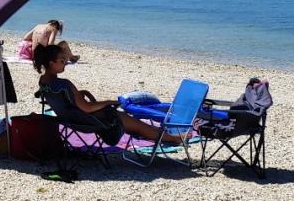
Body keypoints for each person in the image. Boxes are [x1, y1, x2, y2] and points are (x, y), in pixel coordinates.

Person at [34, 44, 188, 145]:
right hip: (88, 120)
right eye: (62, 61)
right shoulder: (64, 83)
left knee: (131, 123)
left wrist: (80, 94)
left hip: (69, 118)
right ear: (50, 63)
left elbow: (66, 100)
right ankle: (173, 138)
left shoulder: (44, 82)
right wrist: (108, 102)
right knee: (134, 123)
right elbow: (87, 107)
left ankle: (166, 136)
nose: (65, 62)